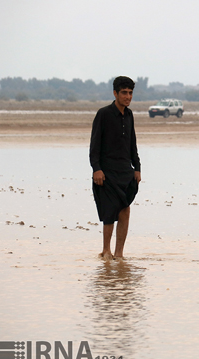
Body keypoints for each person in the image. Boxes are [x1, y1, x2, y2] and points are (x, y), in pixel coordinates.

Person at [90, 76, 141, 260]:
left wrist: (137, 167)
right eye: (124, 93)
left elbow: (132, 144)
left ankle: (119, 253)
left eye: (130, 93)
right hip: (106, 172)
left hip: (125, 171)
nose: (128, 97)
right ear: (115, 93)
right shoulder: (103, 114)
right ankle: (106, 251)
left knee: (125, 209)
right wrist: (96, 169)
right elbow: (94, 146)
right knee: (109, 212)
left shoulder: (129, 115)